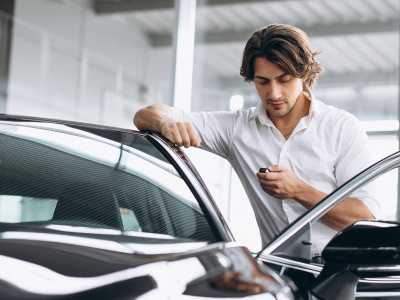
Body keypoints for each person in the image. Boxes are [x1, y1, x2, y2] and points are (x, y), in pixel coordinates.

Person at [133, 24, 379, 255]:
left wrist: (300, 191)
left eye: (283, 80)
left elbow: (365, 218)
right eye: (262, 81)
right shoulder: (237, 128)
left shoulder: (341, 128)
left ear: (304, 73)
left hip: (343, 273)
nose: (273, 93)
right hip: (278, 271)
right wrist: (167, 124)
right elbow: (146, 115)